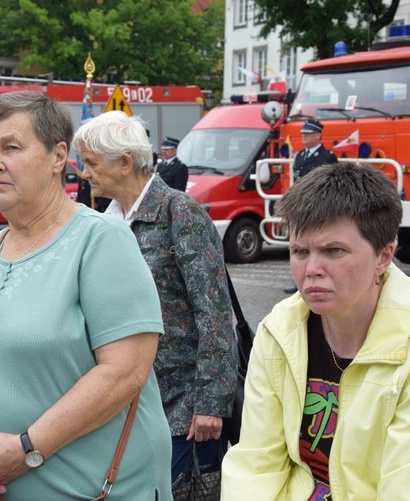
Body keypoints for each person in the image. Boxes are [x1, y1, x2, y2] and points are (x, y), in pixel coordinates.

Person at [0, 91, 173, 500]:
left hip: (89, 490)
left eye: (11, 147)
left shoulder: (101, 240)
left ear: (58, 157)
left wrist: (26, 449)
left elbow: (125, 372)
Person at [221, 162, 410, 500]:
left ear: (384, 256)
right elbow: (255, 465)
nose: (311, 270)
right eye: (299, 251)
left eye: (333, 251)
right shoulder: (279, 333)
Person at [73, 111, 237, 484]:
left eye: (91, 163)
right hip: (129, 396)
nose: (85, 173)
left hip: (183, 404)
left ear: (125, 162)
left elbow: (214, 311)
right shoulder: (108, 220)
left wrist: (210, 403)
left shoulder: (179, 212)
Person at [284, 118, 338, 293]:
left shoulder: (327, 156)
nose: (304, 137)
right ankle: (299, 281)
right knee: (301, 245)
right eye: (303, 135)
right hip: (301, 206)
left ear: (317, 135)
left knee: (317, 245)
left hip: (319, 207)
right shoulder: (300, 156)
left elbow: (331, 184)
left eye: (307, 134)